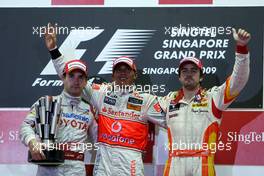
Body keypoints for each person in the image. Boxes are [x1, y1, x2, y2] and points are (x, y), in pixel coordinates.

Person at [44, 24, 166, 176]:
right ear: (112, 75)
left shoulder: (146, 101)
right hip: (104, 163)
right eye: (118, 70)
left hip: (130, 163)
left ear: (135, 75)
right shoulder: (101, 93)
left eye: (127, 70)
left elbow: (172, 120)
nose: (123, 73)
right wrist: (54, 50)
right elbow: (68, 73)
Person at [160, 28, 251, 176]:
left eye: (193, 71)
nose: (189, 74)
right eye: (184, 71)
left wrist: (241, 48)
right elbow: (140, 106)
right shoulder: (167, 101)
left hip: (202, 162)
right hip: (174, 163)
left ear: (201, 77)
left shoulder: (213, 98)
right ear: (179, 77)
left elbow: (238, 81)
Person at [20, 59, 98, 176]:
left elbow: (100, 141)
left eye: (80, 77)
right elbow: (25, 126)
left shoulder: (90, 110)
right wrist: (32, 142)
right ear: (63, 78)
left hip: (76, 169)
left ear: (86, 82)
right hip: (49, 167)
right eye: (71, 76)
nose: (76, 81)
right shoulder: (47, 102)